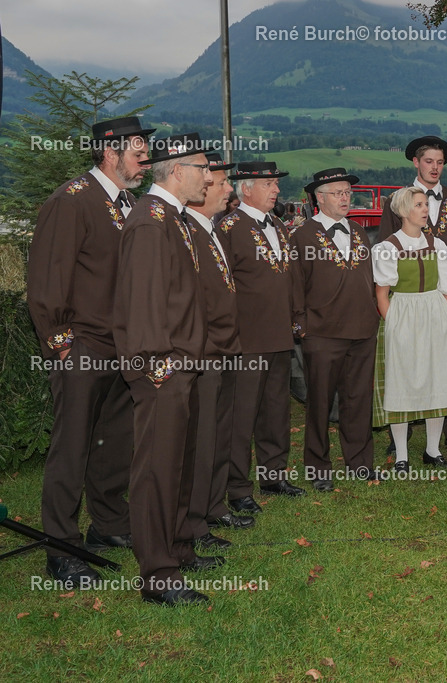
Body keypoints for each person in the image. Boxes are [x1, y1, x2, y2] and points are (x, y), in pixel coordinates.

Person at [27, 116, 152, 587]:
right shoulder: (71, 201)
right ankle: (60, 549)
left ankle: (108, 524)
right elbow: (46, 280)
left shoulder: (128, 202)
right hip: (82, 345)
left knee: (114, 442)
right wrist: (62, 344)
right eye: (137, 150)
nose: (144, 159)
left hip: (123, 345)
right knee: (72, 445)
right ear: (109, 151)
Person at [114, 132, 219, 606]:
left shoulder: (173, 219)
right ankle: (158, 575)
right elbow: (142, 301)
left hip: (182, 362)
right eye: (203, 167)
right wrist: (157, 363)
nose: (210, 176)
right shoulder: (152, 222)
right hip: (163, 366)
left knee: (177, 461)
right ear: (177, 170)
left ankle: (177, 549)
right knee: (157, 468)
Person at [219, 161, 306, 514]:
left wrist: (298, 318)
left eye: (276, 183)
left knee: (275, 410)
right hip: (246, 340)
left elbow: (292, 277)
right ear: (247, 188)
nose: (276, 190)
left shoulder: (280, 227)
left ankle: (274, 475)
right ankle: (238, 488)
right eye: (269, 184)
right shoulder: (228, 227)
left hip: (280, 336)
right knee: (242, 416)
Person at [378, 136, 447, 453]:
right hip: (406, 296)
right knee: (405, 363)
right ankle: (398, 438)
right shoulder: (398, 200)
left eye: (440, 162)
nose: (435, 167)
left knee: (444, 361)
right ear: (416, 163)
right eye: (429, 161)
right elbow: (386, 243)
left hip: (443, 292)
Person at [291, 168, 380, 488]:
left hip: (362, 331)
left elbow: (367, 278)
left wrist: (372, 316)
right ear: (320, 197)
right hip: (322, 334)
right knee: (319, 403)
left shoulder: (357, 231)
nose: (346, 198)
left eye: (347, 192)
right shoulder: (301, 235)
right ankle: (318, 469)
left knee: (358, 401)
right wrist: (301, 326)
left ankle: (359, 462)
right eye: (338, 193)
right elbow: (295, 284)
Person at [183, 152, 254, 552]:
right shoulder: (187, 230)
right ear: (203, 190)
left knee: (219, 432)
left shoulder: (210, 228)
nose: (229, 188)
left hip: (224, 349)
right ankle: (193, 522)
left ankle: (213, 505)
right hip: (203, 350)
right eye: (223, 183)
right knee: (201, 437)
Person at [372, 187, 447, 471]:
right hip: (403, 315)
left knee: (437, 379)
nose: (425, 209)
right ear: (402, 211)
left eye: (426, 204)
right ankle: (401, 455)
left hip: (434, 314)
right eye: (419, 205)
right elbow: (382, 294)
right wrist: (395, 325)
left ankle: (432, 450)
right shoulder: (388, 247)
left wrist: (443, 315)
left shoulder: (438, 244)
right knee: (403, 381)